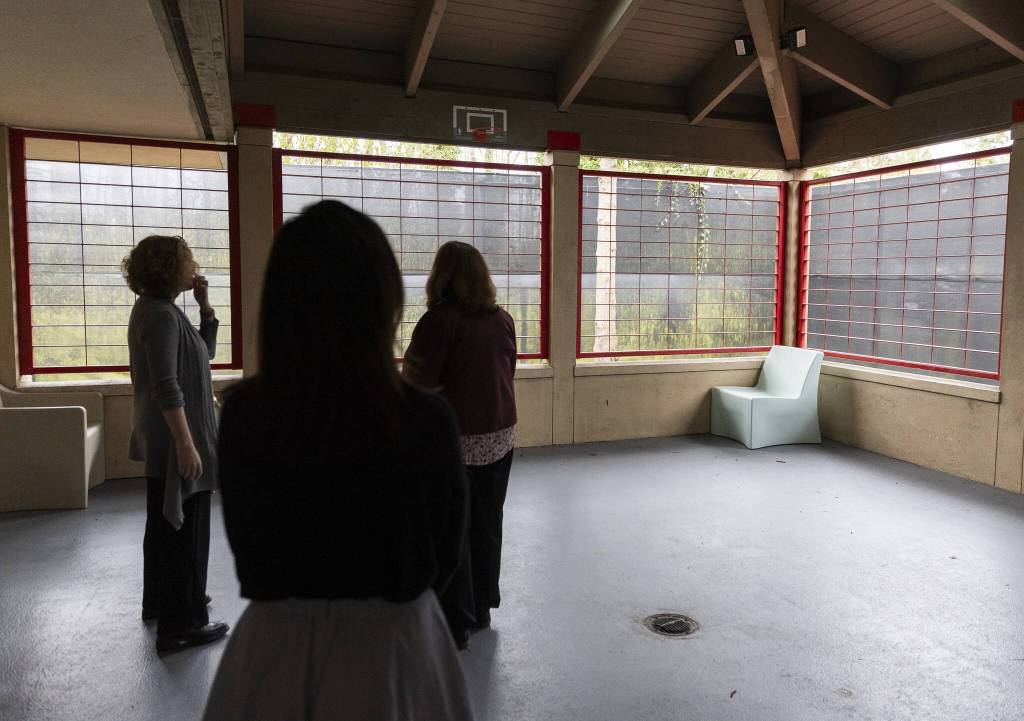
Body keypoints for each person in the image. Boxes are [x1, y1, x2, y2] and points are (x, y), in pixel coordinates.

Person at [203, 201, 474, 721]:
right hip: (395, 648)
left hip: (274, 650)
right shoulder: (426, 418)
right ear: (382, 300)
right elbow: (445, 551)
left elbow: (247, 544)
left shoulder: (244, 414)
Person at [403, 240, 518, 650]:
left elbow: (416, 383)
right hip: (501, 434)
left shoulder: (439, 322)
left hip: (454, 442)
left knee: (453, 530)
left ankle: (457, 619)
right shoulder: (503, 319)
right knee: (488, 522)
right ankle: (483, 607)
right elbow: (509, 370)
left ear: (442, 276)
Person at [124, 235, 229, 653]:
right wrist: (186, 443)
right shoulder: (161, 316)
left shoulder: (159, 309)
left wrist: (205, 307)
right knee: (187, 530)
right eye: (188, 262)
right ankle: (182, 624)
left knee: (164, 527)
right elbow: (166, 385)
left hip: (167, 435)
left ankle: (161, 603)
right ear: (170, 268)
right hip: (177, 437)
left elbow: (204, 353)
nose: (194, 268)